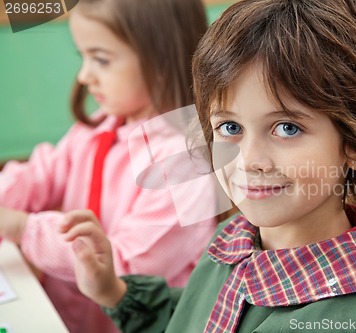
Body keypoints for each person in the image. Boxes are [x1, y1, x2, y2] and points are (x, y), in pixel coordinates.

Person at [61, 0, 356, 332]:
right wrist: (112, 289)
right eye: (230, 127)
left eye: (287, 128)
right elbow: (197, 320)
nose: (250, 160)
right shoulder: (236, 237)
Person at [0, 0, 216, 332]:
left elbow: (125, 266)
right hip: (62, 320)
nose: (84, 76)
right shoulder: (100, 125)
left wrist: (25, 229)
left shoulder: (185, 165)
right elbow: (38, 176)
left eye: (100, 59)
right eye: (82, 56)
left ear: (160, 59)